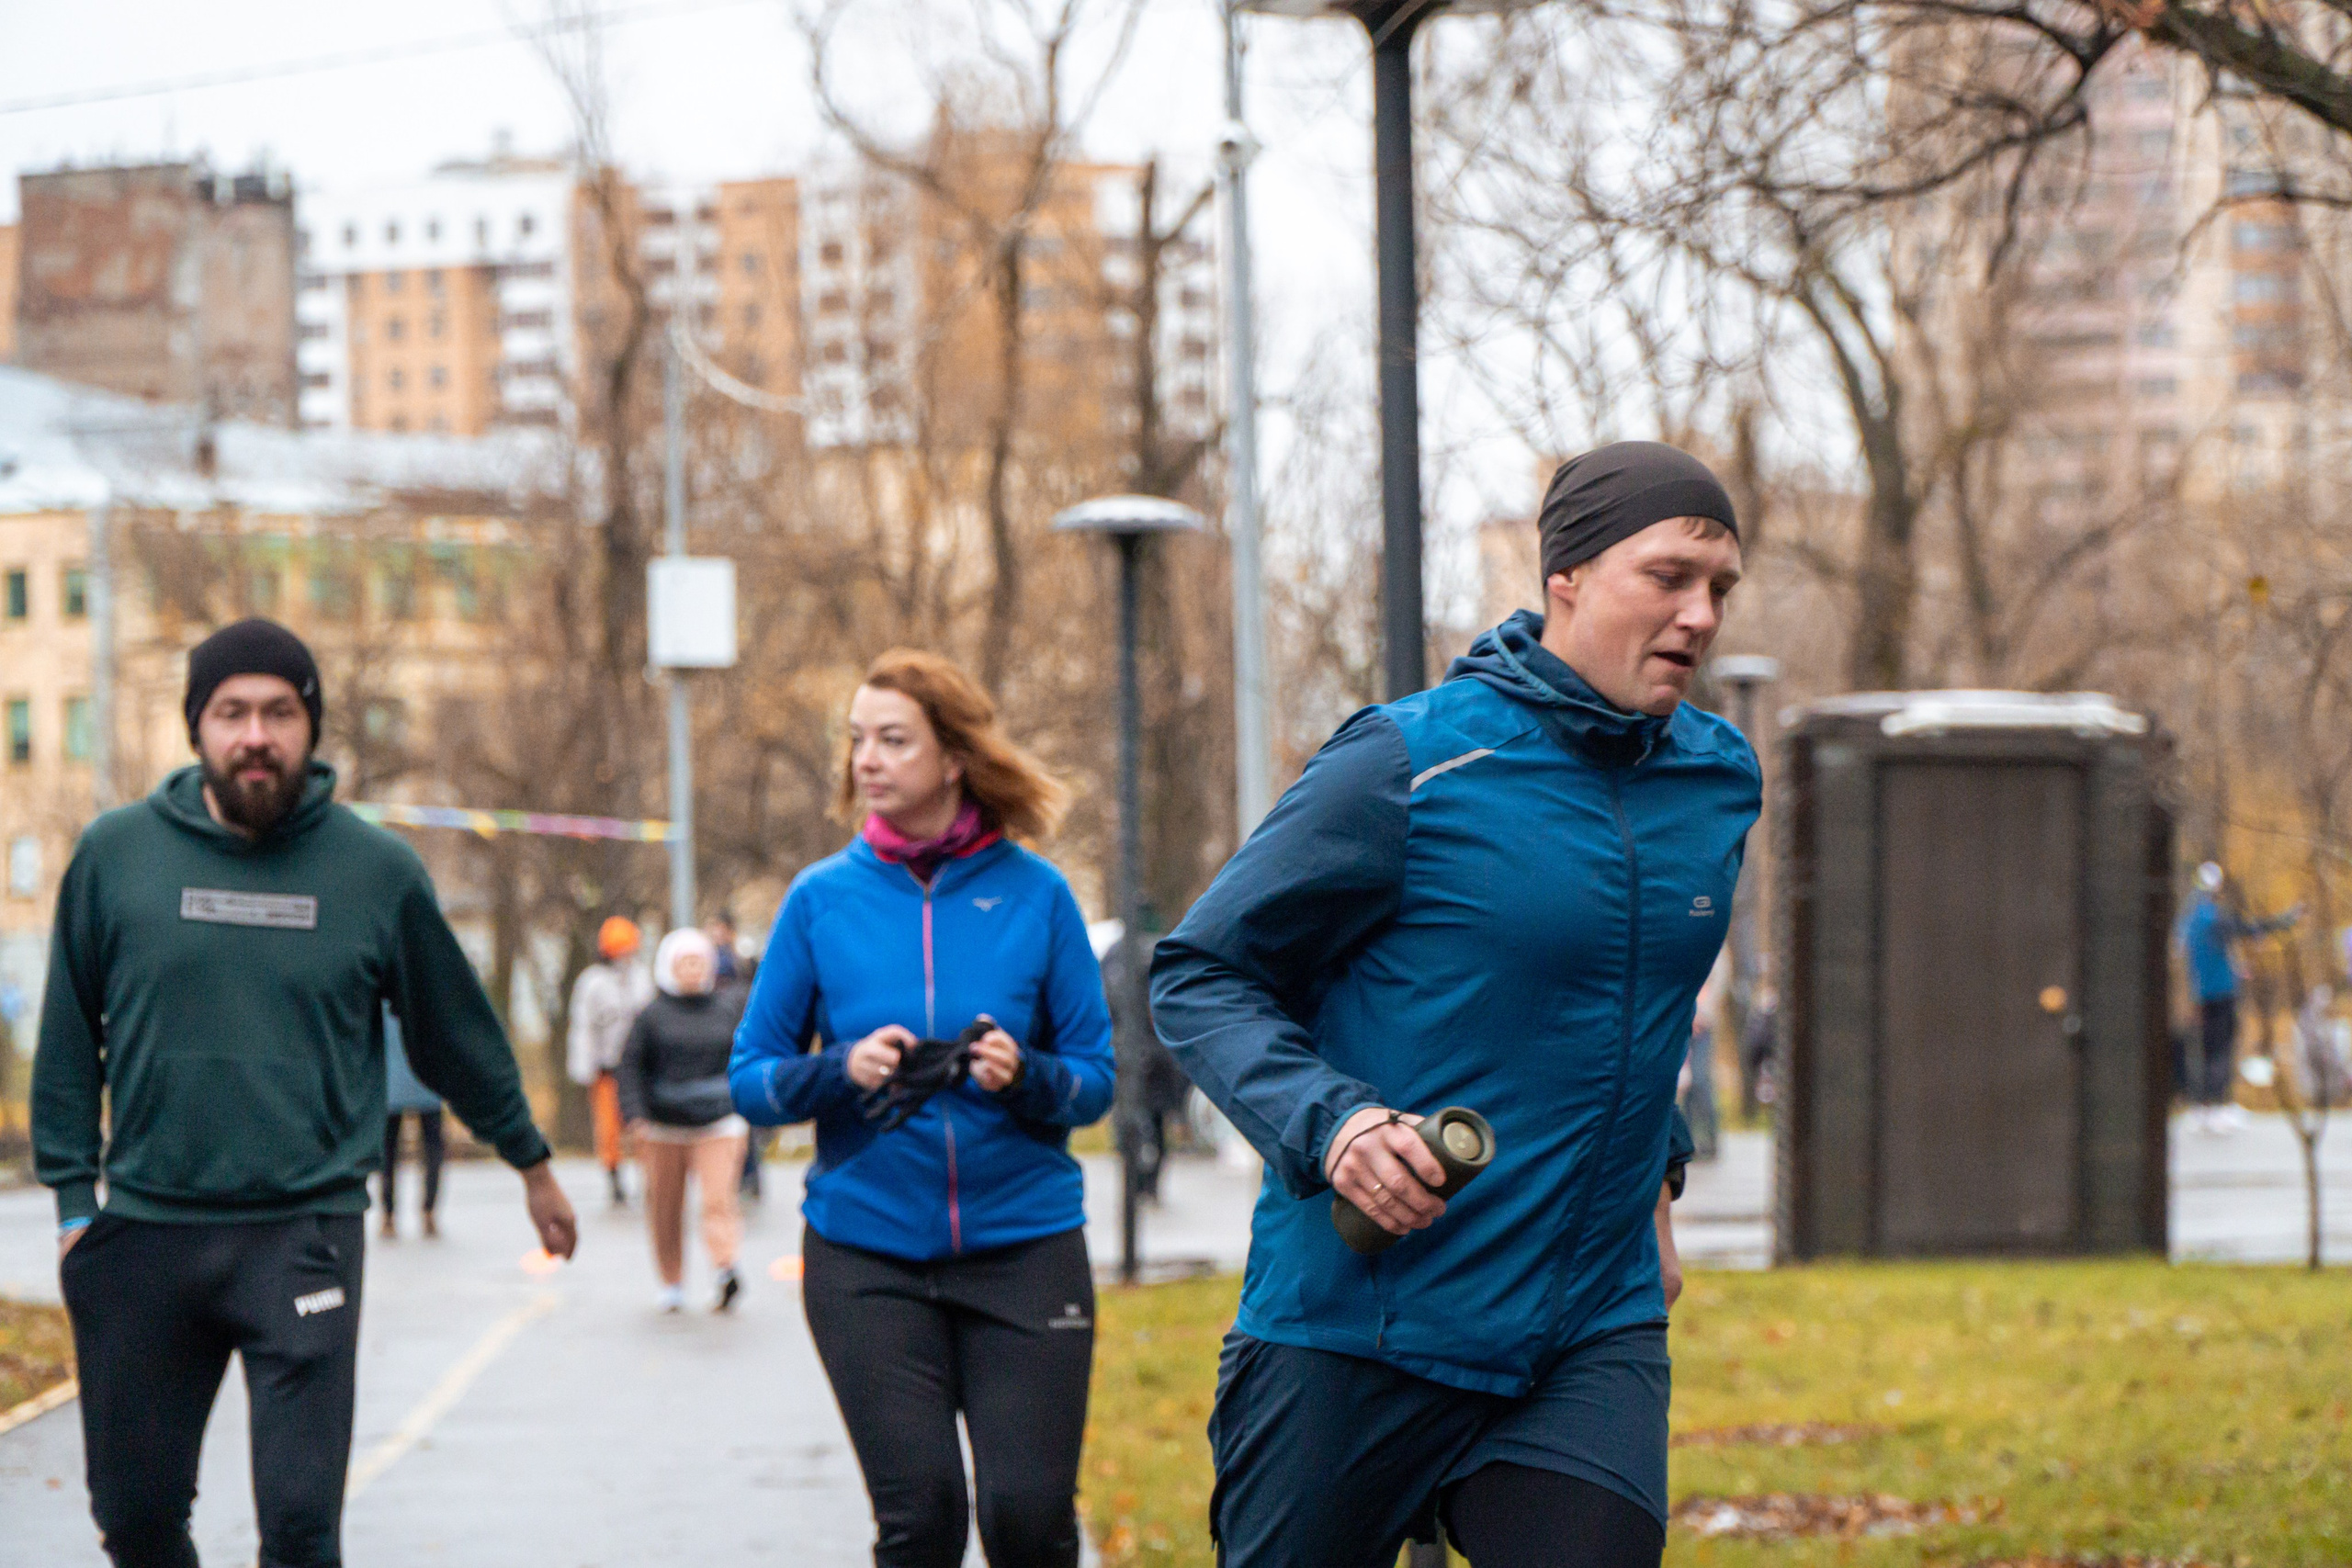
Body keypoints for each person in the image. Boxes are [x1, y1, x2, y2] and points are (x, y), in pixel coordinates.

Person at [1151, 442, 1755, 1568]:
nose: (1701, 614)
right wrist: (1335, 1124)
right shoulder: (1409, 764)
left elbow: (1636, 1007)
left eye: (1718, 587)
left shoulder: (1716, 780)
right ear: (1564, 577)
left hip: (1586, 1326)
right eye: (1667, 576)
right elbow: (1201, 974)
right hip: (1363, 1318)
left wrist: (1658, 1186)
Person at [31, 617, 577, 1568]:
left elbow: (455, 1031)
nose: (256, 735)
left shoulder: (375, 873)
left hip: (304, 1234)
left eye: (279, 712)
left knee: (299, 1530)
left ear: (312, 727)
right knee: (138, 1521)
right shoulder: (117, 857)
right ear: (196, 727)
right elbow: (69, 1036)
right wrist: (76, 1202)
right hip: (147, 1233)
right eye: (231, 712)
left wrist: (529, 1158)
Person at [730, 648, 1115, 1568]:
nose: (866, 758)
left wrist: (1021, 1076)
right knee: (922, 1523)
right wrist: (841, 1072)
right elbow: (751, 1078)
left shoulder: (1039, 895)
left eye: (893, 739)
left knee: (1029, 1522)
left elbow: (1097, 1079)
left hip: (1023, 1250)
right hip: (867, 1257)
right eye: (857, 739)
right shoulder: (821, 899)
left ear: (952, 758)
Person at [618, 927, 751, 1313]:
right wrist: (635, 1116)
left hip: (719, 1123)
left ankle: (725, 1268)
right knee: (664, 1207)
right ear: (668, 967)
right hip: (663, 1127)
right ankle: (671, 1281)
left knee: (718, 1199)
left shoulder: (727, 1010)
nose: (693, 969)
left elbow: (744, 1059)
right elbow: (631, 1069)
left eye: (699, 962)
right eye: (685, 962)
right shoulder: (650, 1016)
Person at [2175, 861, 2300, 1134]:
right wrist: (2279, 923)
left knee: (2209, 1050)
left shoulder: (2191, 918)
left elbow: (2191, 950)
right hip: (2220, 993)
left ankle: (2205, 1107)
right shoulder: (2210, 917)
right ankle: (2217, 1106)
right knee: (2221, 1049)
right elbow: (2243, 929)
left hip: (2205, 993)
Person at [570, 916, 653, 1206]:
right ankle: (614, 1176)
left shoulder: (642, 977)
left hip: (640, 1067)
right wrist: (585, 1066)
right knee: (608, 1128)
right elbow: (583, 1027)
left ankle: (649, 1176)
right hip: (606, 1066)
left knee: (643, 1124)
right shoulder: (592, 982)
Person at [379, 1006, 447, 1239]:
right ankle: (428, 1212)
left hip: (391, 1086)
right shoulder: (428, 996)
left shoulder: (382, 994)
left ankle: (388, 1216)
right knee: (432, 1150)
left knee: (388, 1153)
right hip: (427, 1083)